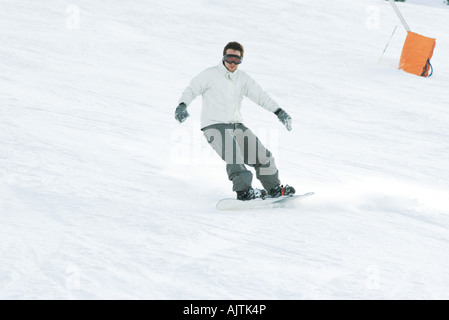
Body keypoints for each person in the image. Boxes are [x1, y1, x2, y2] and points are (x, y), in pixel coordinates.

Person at [175, 41, 295, 200]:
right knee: (234, 155)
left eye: (237, 60)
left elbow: (260, 96)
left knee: (263, 156)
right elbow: (192, 89)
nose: (232, 63)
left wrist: (279, 112)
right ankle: (244, 191)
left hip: (236, 125)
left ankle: (273, 188)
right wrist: (182, 105)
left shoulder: (243, 78)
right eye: (229, 58)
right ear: (223, 57)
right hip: (214, 125)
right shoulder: (210, 74)